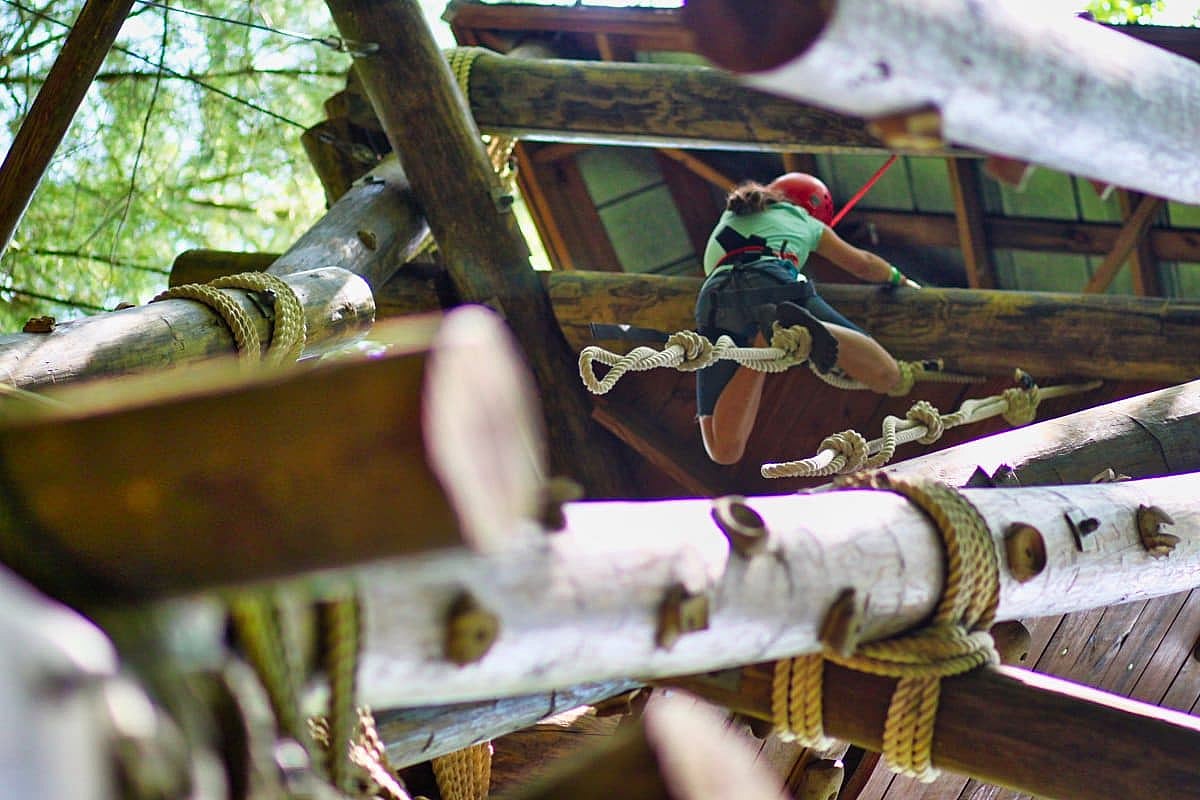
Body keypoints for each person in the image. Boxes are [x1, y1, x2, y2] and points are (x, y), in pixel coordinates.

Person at [695, 172, 920, 464]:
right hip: (773, 281)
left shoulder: (734, 212)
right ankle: (801, 324)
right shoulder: (806, 221)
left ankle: (763, 345)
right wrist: (900, 279)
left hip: (714, 296)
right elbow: (863, 265)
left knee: (723, 451)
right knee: (887, 375)